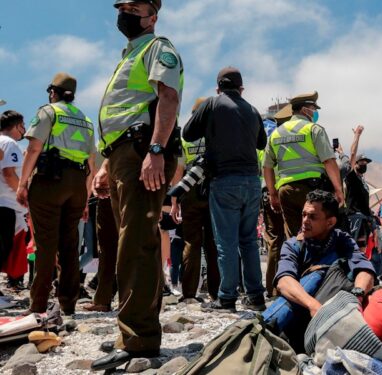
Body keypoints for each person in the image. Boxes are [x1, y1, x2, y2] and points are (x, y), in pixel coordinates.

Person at [91, 0, 183, 369]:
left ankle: (140, 339)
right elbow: (120, 110)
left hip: (144, 149)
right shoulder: (130, 55)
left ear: (153, 16)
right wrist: (105, 163)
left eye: (135, 6)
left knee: (138, 243)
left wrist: (157, 149)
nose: (126, 12)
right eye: (123, 5)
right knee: (128, 241)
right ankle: (129, 332)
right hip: (122, 155)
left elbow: (168, 97)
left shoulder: (158, 48)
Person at [183, 67, 267, 312]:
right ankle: (256, 297)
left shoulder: (212, 104)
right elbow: (261, 142)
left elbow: (188, 134)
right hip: (252, 181)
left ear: (218, 87)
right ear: (241, 88)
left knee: (226, 243)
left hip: (225, 180)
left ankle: (227, 298)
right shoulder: (252, 109)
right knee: (249, 241)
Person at [15, 72, 96, 316]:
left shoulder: (48, 112)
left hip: (50, 180)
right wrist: (85, 197)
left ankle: (38, 304)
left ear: (53, 92)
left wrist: (22, 184)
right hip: (77, 184)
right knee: (70, 245)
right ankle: (68, 304)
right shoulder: (86, 119)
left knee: (46, 244)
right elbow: (91, 162)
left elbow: (34, 148)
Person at [265, 190, 375, 352]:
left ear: (330, 222)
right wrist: (314, 306)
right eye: (303, 215)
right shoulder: (294, 245)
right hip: (303, 314)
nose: (304, 221)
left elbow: (365, 270)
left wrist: (357, 296)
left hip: (337, 311)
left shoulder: (342, 240)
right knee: (317, 275)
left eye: (312, 217)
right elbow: (284, 281)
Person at [263, 91, 345, 239]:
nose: (314, 112)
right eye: (313, 109)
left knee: (295, 238)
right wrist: (339, 190)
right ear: (304, 109)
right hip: (313, 190)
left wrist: (273, 194)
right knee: (318, 234)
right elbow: (329, 161)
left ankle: (297, 261)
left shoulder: (275, 134)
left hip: (286, 191)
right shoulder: (314, 129)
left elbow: (267, 167)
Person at [171, 97, 219, 304]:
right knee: (213, 244)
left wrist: (175, 202)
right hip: (213, 191)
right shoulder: (217, 134)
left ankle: (189, 293)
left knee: (191, 242)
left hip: (189, 191)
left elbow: (178, 171)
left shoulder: (185, 139)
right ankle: (216, 292)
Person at [260, 106, 291, 299]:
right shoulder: (290, 138)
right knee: (293, 239)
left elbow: (263, 167)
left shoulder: (267, 140)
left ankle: (272, 289)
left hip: (268, 191)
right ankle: (291, 285)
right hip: (286, 190)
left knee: (274, 241)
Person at [0, 110, 25, 296]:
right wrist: (23, 195)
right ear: (16, 126)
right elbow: (9, 173)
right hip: (6, 204)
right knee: (3, 248)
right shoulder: (10, 143)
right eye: (22, 126)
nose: (24, 131)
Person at [345, 125, 373, 248]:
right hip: (355, 218)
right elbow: (352, 154)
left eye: (366, 162)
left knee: (363, 251)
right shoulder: (351, 177)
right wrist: (357, 136)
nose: (364, 164)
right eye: (362, 162)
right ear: (355, 164)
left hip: (365, 219)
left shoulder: (363, 182)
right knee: (354, 251)